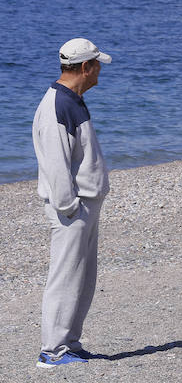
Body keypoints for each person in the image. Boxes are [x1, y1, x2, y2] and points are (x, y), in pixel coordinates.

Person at [32, 38, 112, 368]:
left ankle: (70, 343)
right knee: (65, 277)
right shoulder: (58, 105)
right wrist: (69, 207)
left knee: (82, 277)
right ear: (84, 68)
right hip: (72, 208)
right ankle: (52, 350)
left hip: (84, 204)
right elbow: (55, 163)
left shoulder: (72, 99)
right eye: (96, 66)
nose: (98, 73)